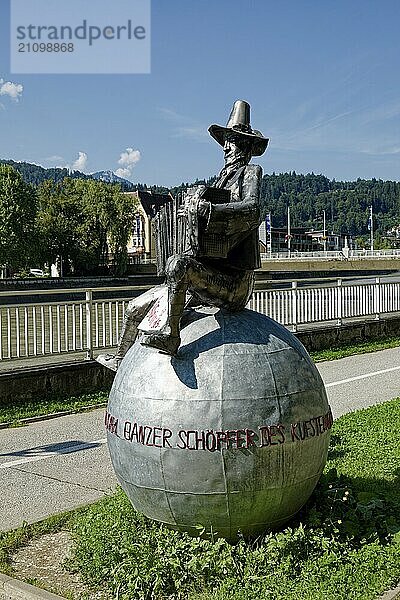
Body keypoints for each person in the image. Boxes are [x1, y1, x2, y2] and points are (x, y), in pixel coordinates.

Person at [97, 100, 269, 371]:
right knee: (133, 309)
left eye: (232, 141)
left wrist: (209, 209)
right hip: (209, 276)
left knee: (178, 265)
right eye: (225, 141)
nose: (225, 147)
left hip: (233, 283)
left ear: (246, 147)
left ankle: (170, 335)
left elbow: (253, 208)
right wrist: (192, 217)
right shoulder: (220, 181)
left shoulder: (250, 172)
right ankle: (120, 357)